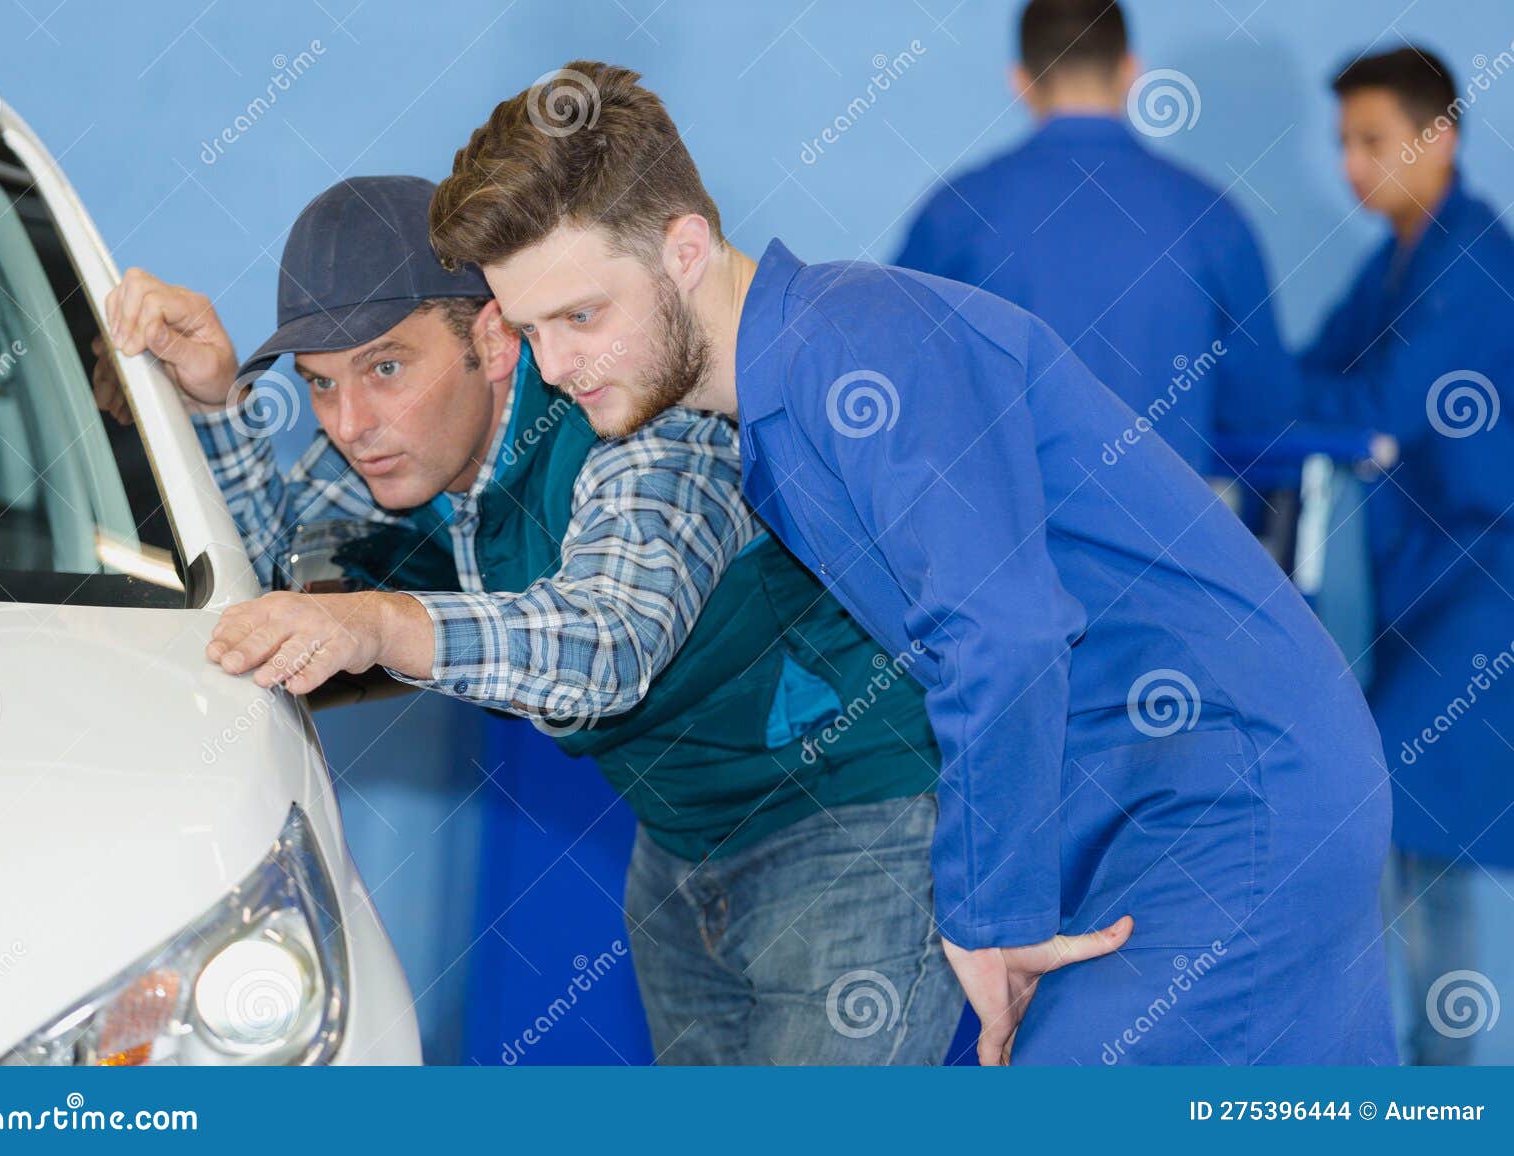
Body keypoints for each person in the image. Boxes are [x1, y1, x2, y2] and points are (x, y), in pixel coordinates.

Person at [430, 62, 1398, 1065]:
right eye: (531, 329)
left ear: (683, 250)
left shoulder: (858, 347)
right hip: (1150, 792)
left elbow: (1002, 627)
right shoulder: (781, 400)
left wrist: (989, 915)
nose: (555, 365)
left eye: (581, 315)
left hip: (1227, 785)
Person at [95, 176, 964, 1064]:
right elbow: (269, 586)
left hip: (855, 826)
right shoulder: (396, 447)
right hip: (677, 852)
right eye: (320, 385)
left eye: (386, 367)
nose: (351, 423)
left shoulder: (637, 414)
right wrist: (209, 405)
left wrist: (385, 622)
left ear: (493, 337)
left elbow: (611, 642)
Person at [1301, 46, 1514, 1065]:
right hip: (1426, 591)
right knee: (1425, 836)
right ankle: (1432, 1083)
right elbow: (1310, 374)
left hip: (1485, 590)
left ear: (1441, 138)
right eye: (1343, 141)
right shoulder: (1396, 257)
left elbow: (1375, 403)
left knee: (1404, 802)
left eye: (1372, 140)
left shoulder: (1468, 263)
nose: (1351, 164)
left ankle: (1441, 1090)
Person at [895, 0, 1300, 475]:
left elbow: (900, 380)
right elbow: (1262, 408)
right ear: (1131, 72)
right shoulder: (1211, 217)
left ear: (1020, 82)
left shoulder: (957, 213)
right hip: (1164, 542)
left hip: (999, 542)